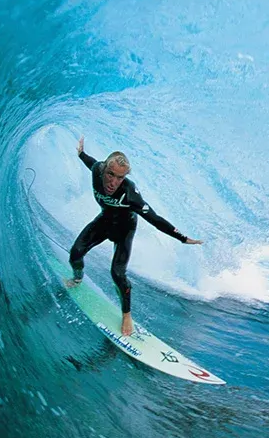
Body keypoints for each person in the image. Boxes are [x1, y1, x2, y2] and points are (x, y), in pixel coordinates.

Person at [67, 135, 202, 336]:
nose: (113, 182)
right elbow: (90, 162)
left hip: (125, 229)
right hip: (104, 222)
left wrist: (183, 238)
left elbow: (155, 219)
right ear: (104, 169)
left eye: (120, 177)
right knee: (75, 253)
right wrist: (80, 153)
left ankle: (127, 315)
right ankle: (78, 279)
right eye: (111, 174)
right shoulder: (97, 170)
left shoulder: (130, 194)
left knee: (117, 274)